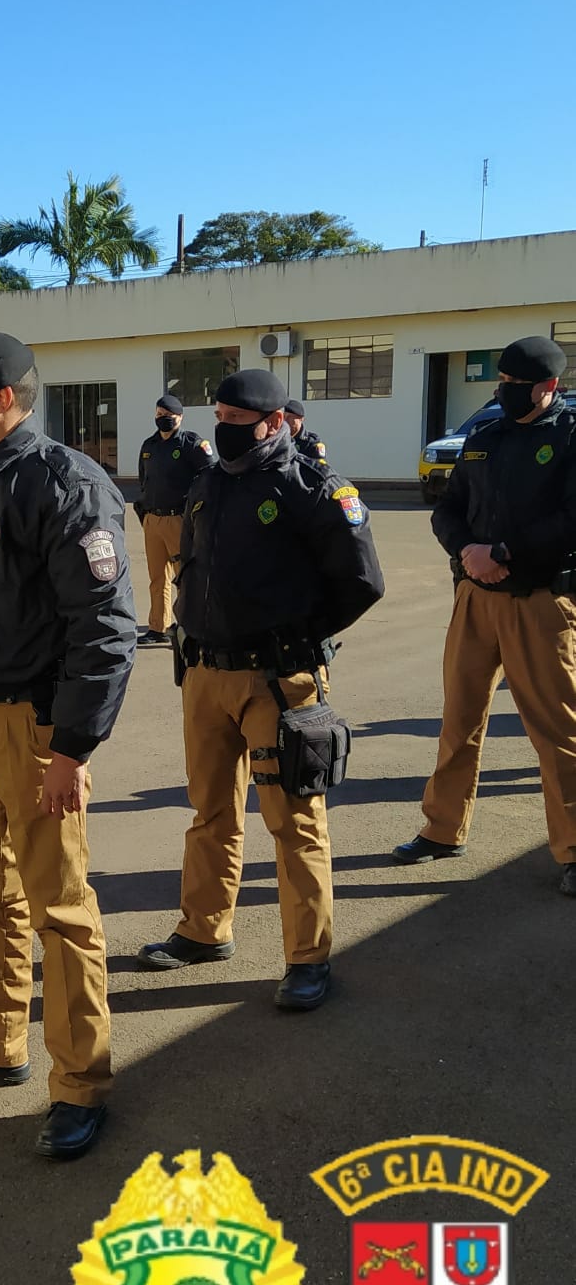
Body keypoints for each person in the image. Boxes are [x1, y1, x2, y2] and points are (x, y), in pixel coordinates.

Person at [0, 332, 137, 1161]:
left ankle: (79, 1084)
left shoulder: (63, 483)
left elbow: (105, 627)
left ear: (1, 399)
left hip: (31, 730)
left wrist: (72, 749)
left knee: (60, 910)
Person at [138, 368, 384, 1011]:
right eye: (218, 418)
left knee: (294, 821)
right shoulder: (208, 484)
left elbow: (362, 581)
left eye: (237, 421)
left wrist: (301, 637)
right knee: (210, 811)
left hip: (278, 681)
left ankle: (307, 958)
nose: (223, 430)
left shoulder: (313, 488)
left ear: (274, 423)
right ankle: (204, 930)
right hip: (205, 675)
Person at [394, 336, 576, 893]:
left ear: (549, 387)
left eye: (516, 384)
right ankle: (443, 829)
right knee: (460, 719)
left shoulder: (569, 437)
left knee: (557, 729)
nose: (504, 390)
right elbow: (448, 508)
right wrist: (468, 551)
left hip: (538, 601)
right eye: (501, 380)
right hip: (475, 597)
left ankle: (573, 848)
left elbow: (570, 519)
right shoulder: (485, 436)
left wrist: (502, 552)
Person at [135, 393, 215, 643]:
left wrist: (196, 513)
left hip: (179, 520)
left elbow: (210, 477)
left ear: (180, 417)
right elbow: (143, 480)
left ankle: (189, 626)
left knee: (186, 576)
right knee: (157, 578)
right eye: (159, 415)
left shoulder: (191, 445)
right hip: (153, 520)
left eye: (168, 416)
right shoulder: (149, 445)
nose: (163, 419)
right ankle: (158, 627)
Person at [284, 399, 329, 470]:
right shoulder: (277, 440)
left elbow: (319, 469)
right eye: (283, 417)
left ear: (301, 419)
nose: (285, 420)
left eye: (290, 417)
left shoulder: (311, 443)